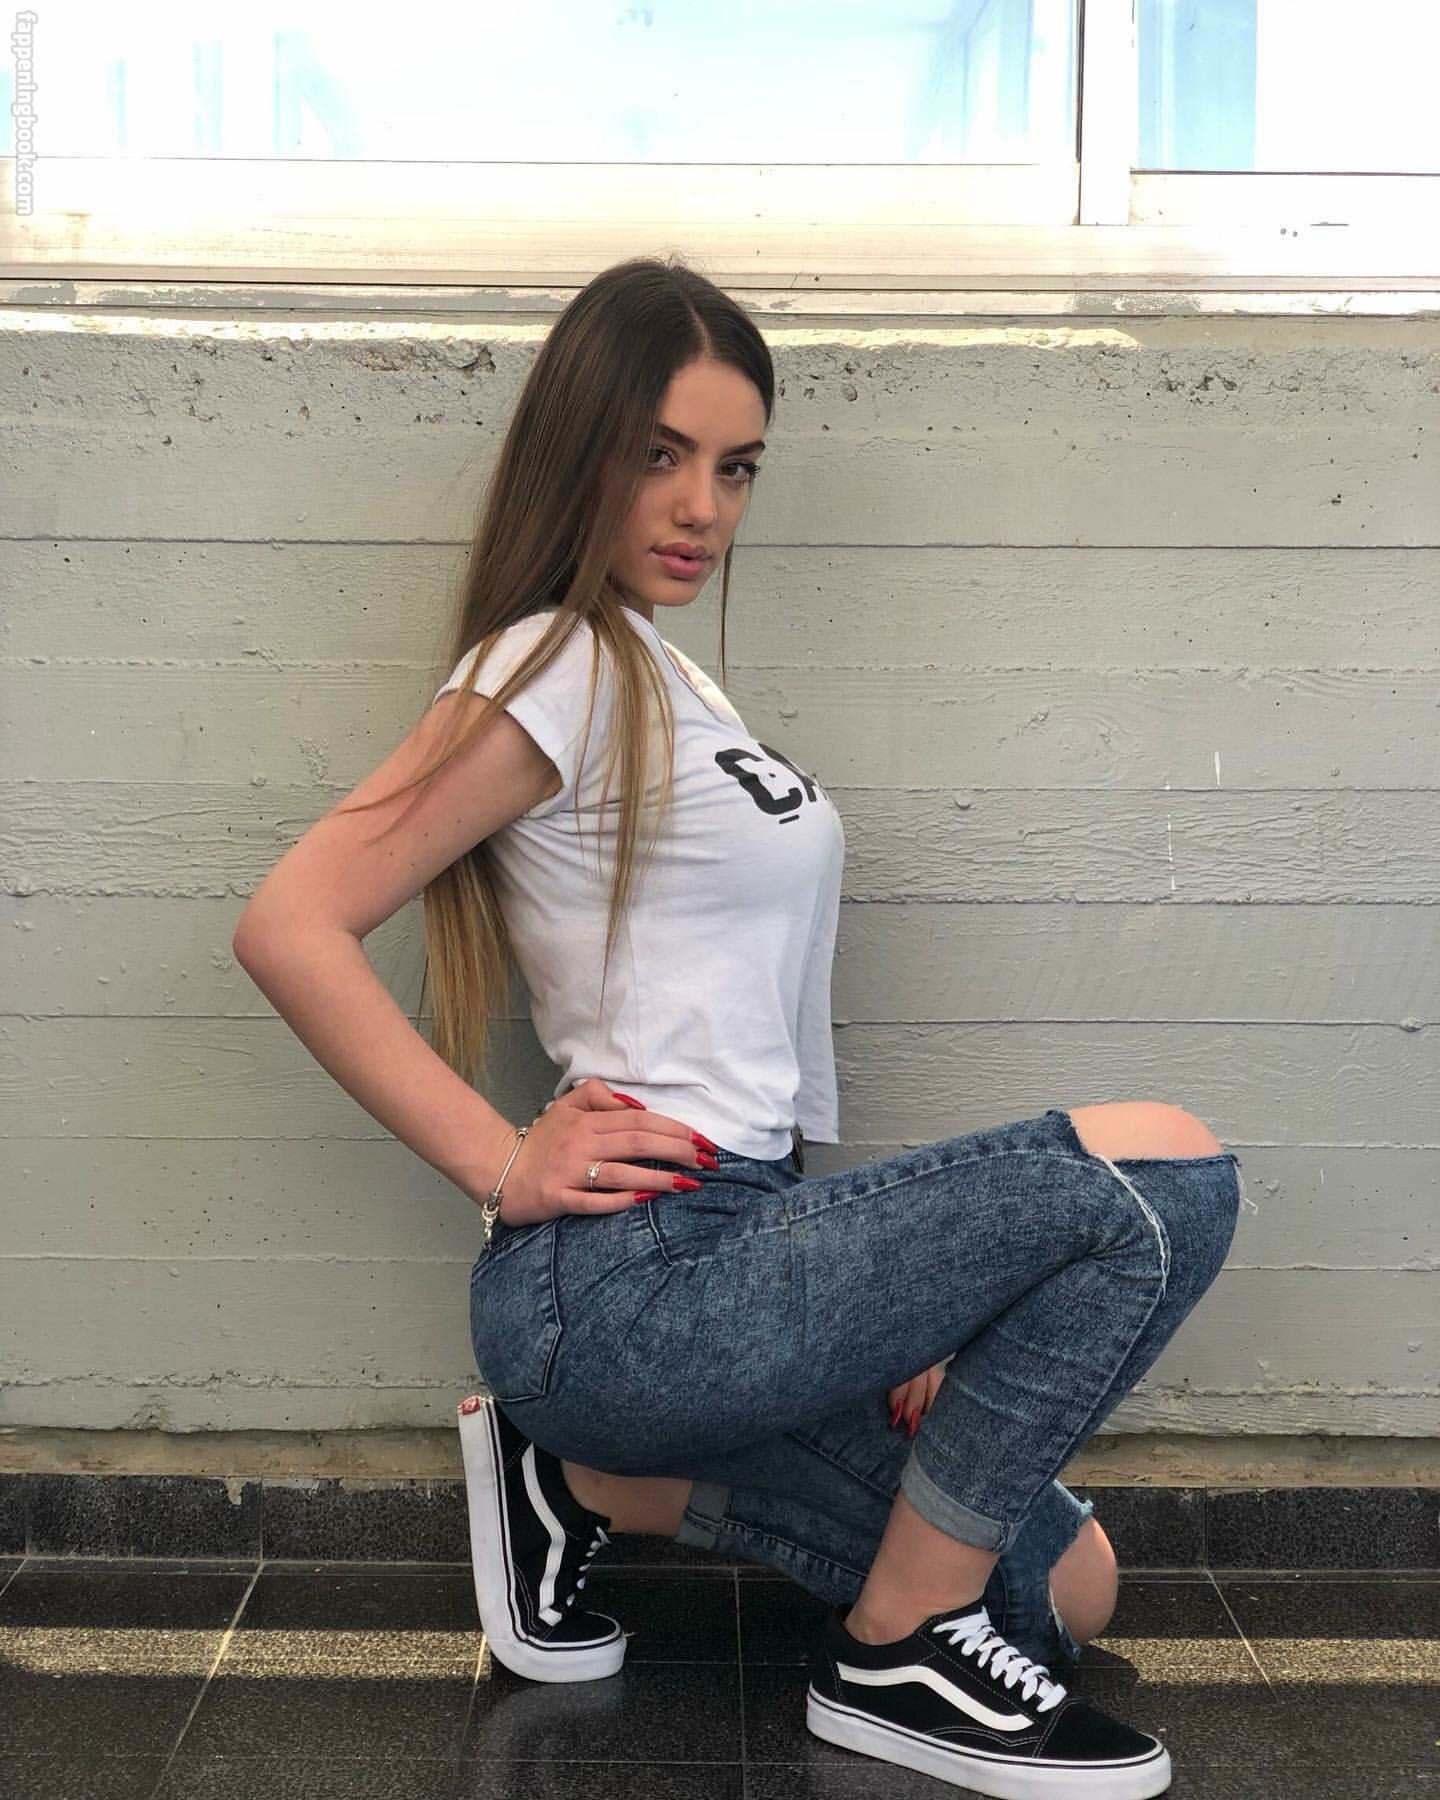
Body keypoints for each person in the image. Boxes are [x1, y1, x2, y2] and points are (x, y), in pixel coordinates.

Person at [233, 255, 1245, 1798]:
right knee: (1163, 1175)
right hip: (632, 1278)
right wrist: (499, 1160)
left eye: (735, 467)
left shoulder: (672, 679)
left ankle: (577, 1481)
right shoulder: (550, 665)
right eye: (661, 454)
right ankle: (893, 1656)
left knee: (1066, 1583)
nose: (702, 505)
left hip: (746, 1259)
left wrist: (896, 1300)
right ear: (578, 448)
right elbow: (290, 922)